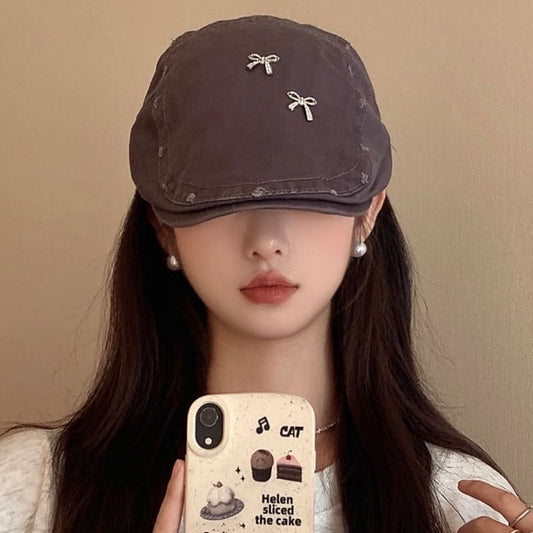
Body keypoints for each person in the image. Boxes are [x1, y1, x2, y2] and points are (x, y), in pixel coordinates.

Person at [0, 14, 531, 533]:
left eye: (307, 195)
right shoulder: (34, 488)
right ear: (163, 227)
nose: (267, 241)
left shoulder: (460, 502)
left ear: (369, 211)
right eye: (221, 199)